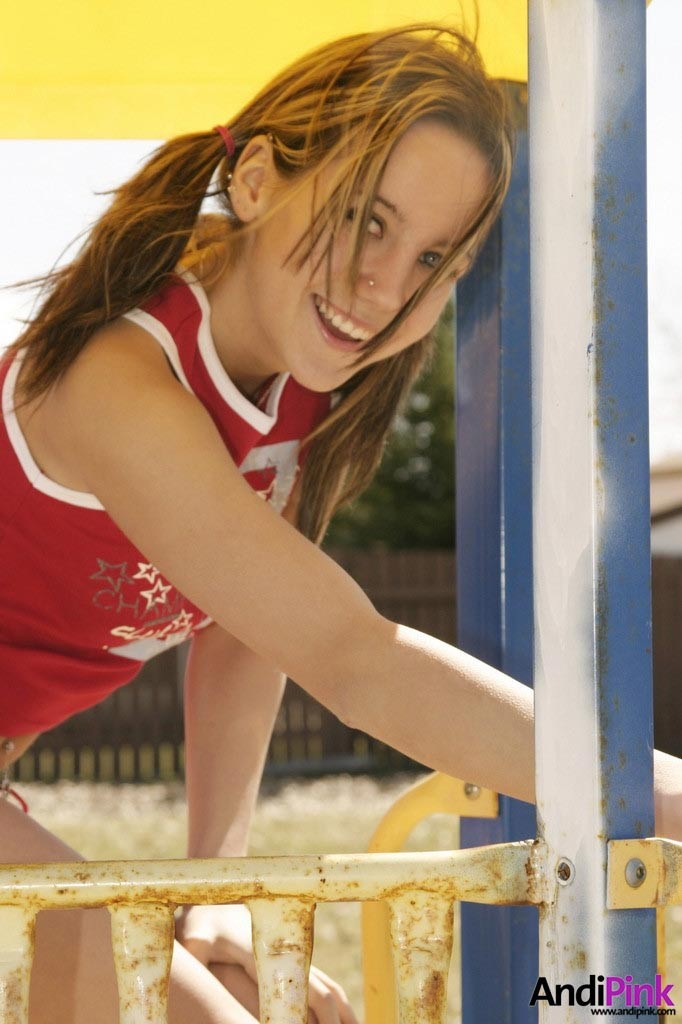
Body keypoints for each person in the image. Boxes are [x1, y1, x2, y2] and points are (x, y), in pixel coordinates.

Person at [1, 22, 679, 1024]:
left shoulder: (292, 390)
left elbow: (248, 630)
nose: (384, 287)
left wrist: (215, 892)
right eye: (367, 220)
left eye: (431, 257)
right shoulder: (122, 382)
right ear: (264, 178)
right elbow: (351, 658)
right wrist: (652, 787)